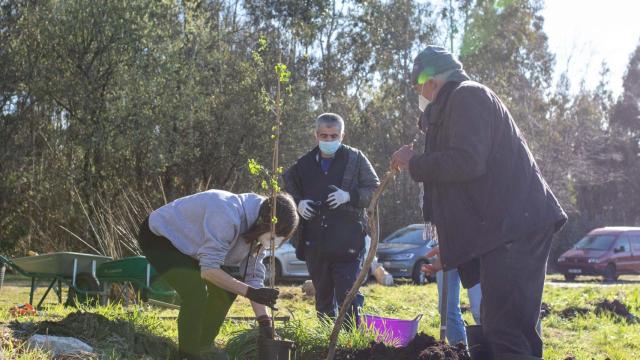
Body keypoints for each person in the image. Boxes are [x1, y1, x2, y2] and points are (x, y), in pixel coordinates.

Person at [391, 46, 567, 359]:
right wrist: (454, 246)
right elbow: (465, 193)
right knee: (496, 325)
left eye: (418, 86)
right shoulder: (453, 107)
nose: (418, 94)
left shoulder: (468, 97)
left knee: (506, 327)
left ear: (431, 81)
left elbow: (467, 162)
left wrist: (415, 163)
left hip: (515, 228)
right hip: (503, 230)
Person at [138, 190, 299, 360]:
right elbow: (209, 271)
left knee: (226, 292)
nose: (274, 244)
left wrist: (265, 322)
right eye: (274, 238)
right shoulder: (226, 213)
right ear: (265, 223)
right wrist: (251, 292)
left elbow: (253, 276)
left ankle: (204, 346)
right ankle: (187, 354)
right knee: (195, 293)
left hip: (193, 248)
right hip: (160, 237)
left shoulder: (260, 228)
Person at [283, 113, 379, 325]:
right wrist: (298, 203)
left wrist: (350, 196)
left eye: (333, 136)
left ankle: (351, 347)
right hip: (315, 244)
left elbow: (375, 188)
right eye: (324, 136)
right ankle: (327, 347)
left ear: (342, 135)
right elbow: (286, 190)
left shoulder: (356, 159)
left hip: (348, 242)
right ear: (315, 135)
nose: (328, 140)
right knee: (323, 299)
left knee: (348, 297)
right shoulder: (303, 164)